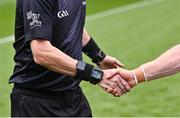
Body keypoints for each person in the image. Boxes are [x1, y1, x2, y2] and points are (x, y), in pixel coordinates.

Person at [9, 0, 130, 117]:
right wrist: (95, 75)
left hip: (73, 96)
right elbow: (41, 53)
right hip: (36, 102)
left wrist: (99, 56)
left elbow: (73, 23)